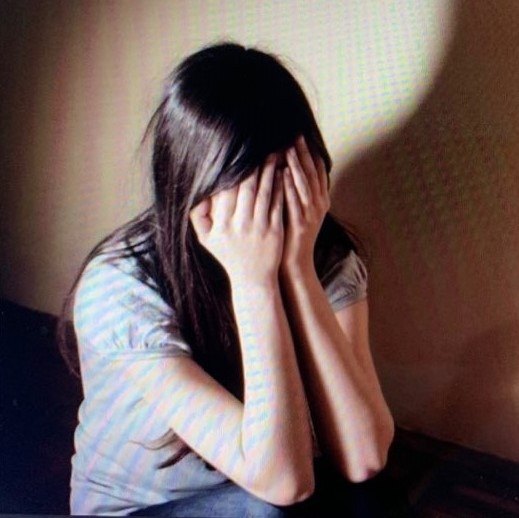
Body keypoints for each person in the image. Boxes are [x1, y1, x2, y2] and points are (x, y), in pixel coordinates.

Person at [58, 42, 399, 517]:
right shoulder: (122, 285)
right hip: (146, 509)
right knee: (271, 508)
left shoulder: (326, 256)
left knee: (369, 497)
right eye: (249, 185)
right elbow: (283, 483)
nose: (271, 205)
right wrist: (254, 282)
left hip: (266, 483)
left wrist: (297, 269)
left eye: (289, 175)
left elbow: (364, 458)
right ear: (196, 186)